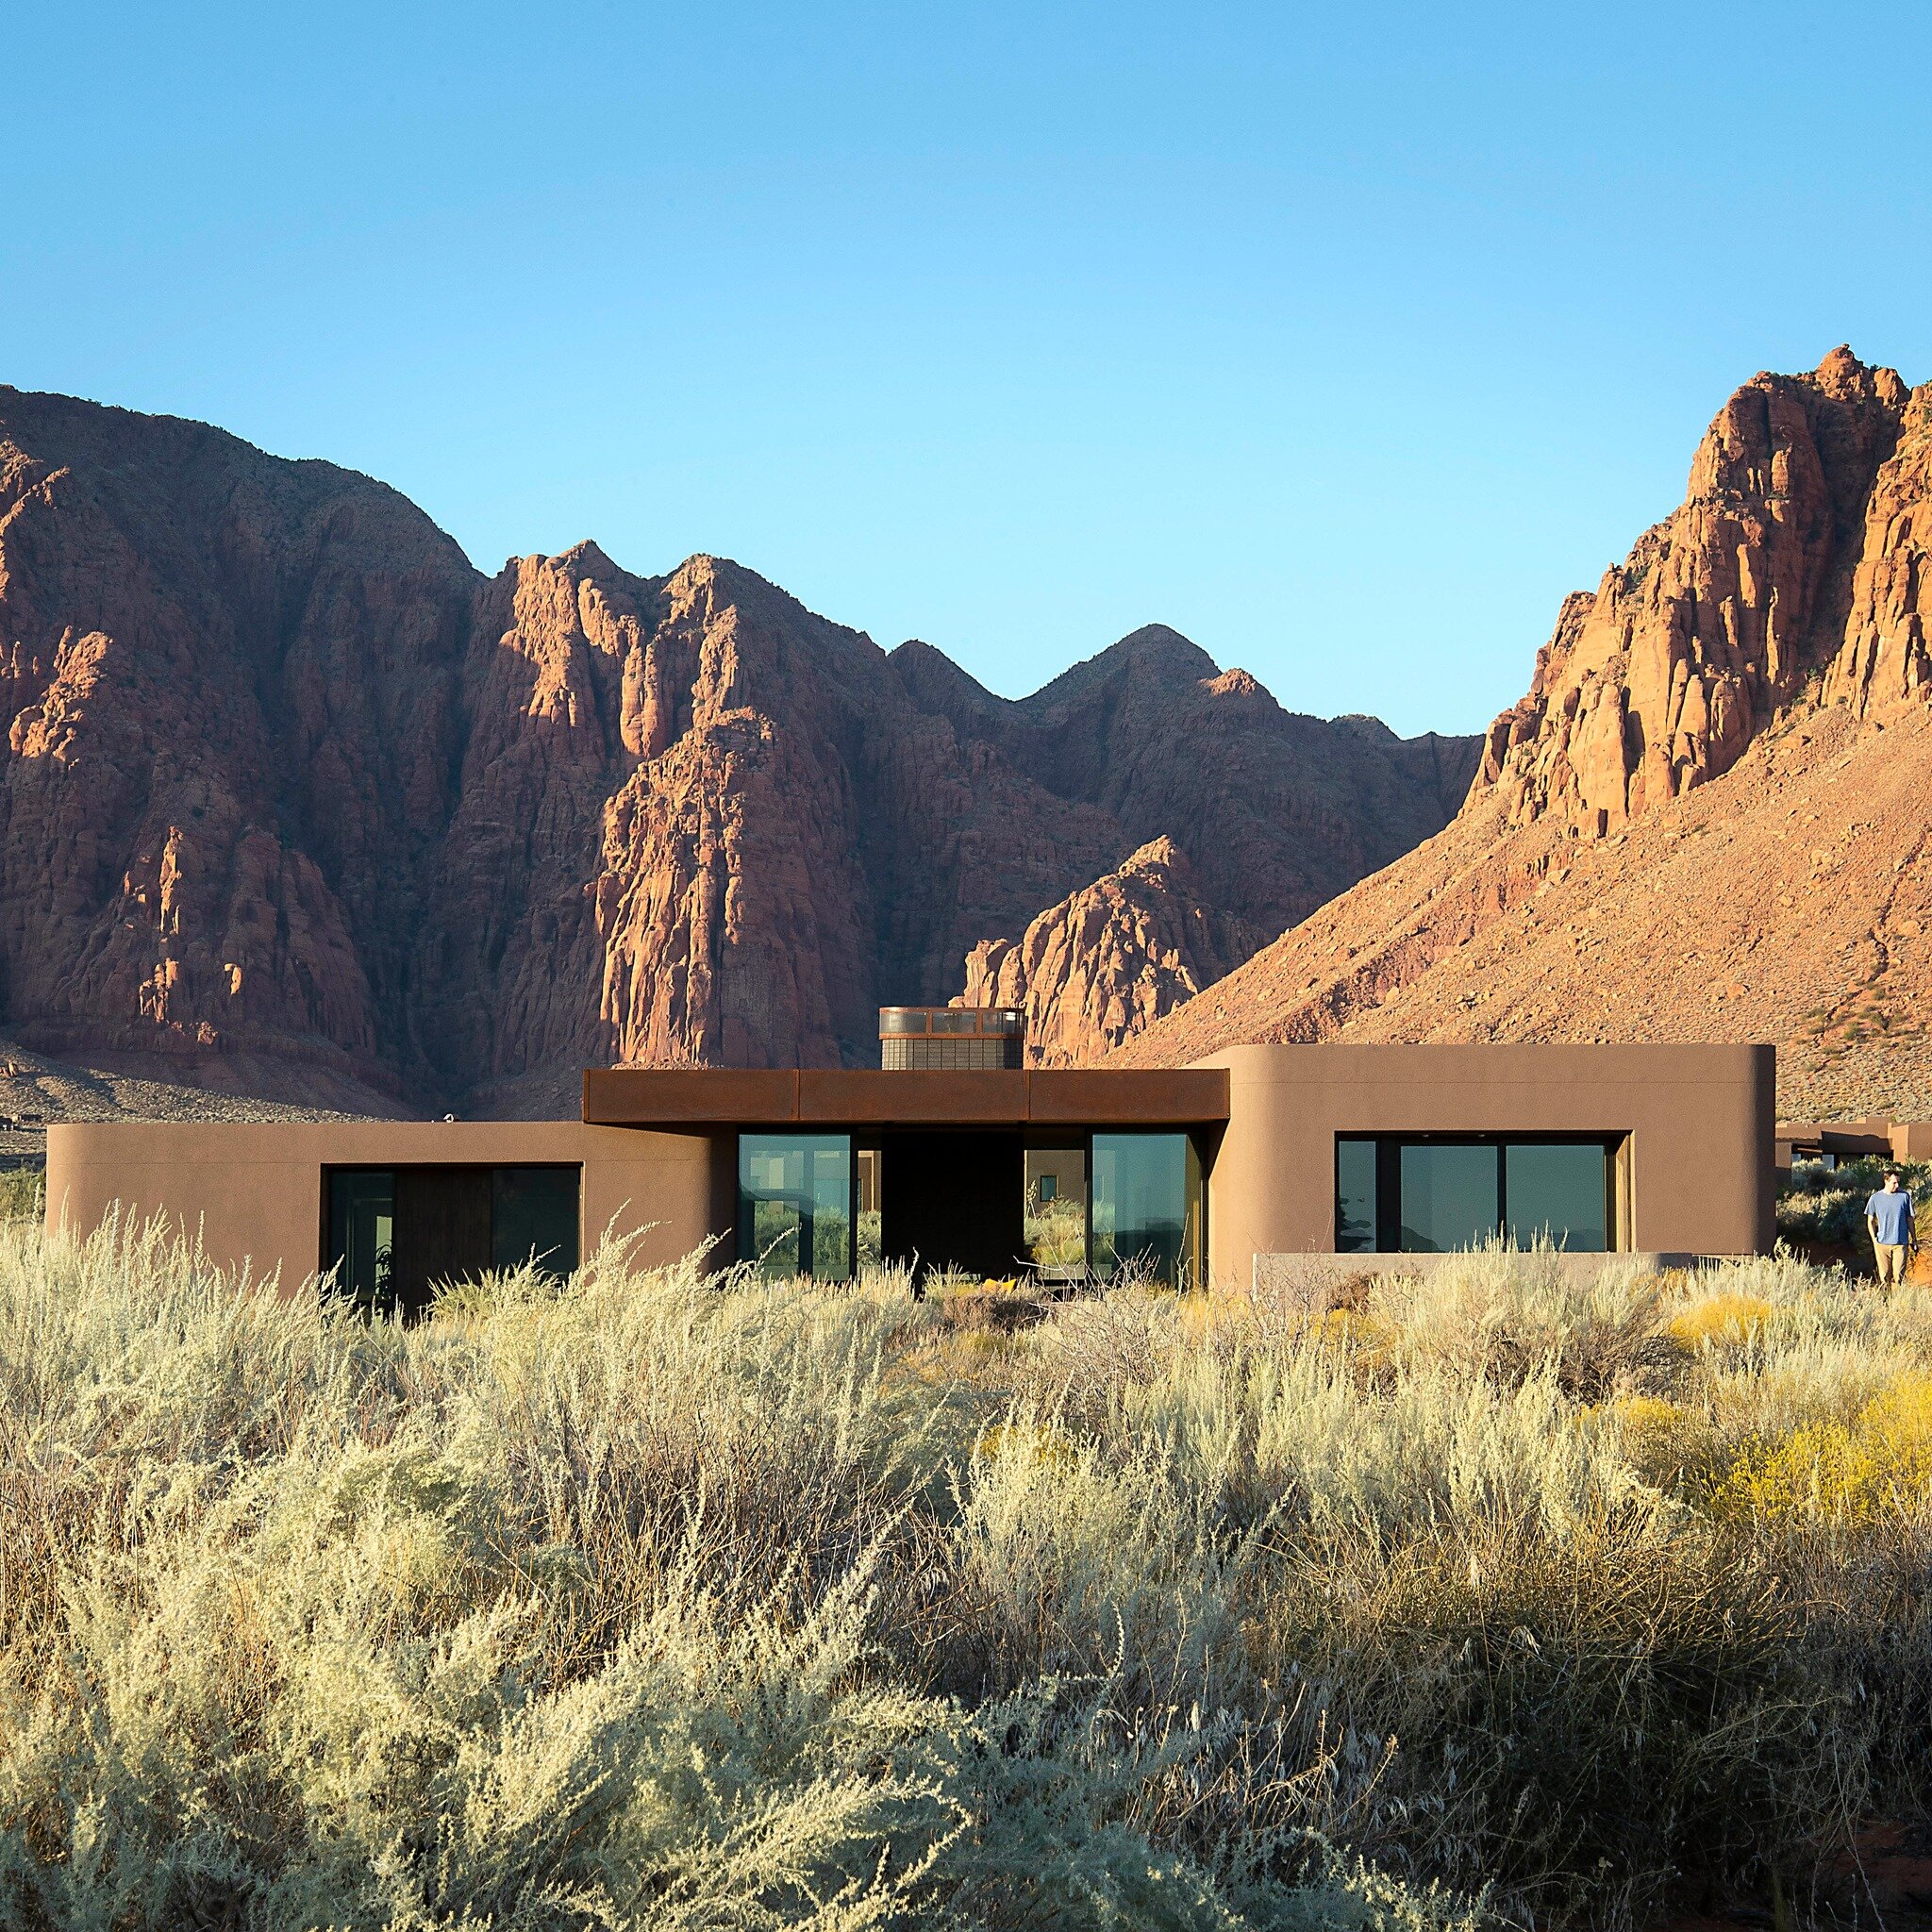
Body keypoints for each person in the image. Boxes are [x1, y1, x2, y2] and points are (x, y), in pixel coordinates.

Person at [1865, 1170, 1915, 1287]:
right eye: (1894, 1183)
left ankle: (1897, 1302)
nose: (1897, 1185)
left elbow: (1910, 1219)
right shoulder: (1875, 1198)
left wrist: (1914, 1239)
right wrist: (1874, 1240)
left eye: (1898, 1183)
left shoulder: (1904, 1197)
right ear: (1886, 1181)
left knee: (1898, 1276)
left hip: (1900, 1243)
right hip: (1882, 1244)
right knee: (1884, 1276)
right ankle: (1886, 1302)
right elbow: (1870, 1220)